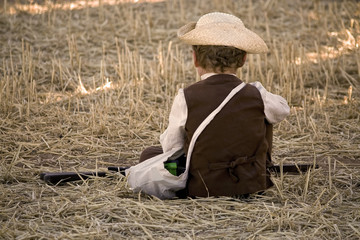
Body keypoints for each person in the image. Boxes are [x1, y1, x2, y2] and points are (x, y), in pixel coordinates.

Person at [138, 12, 290, 198]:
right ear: (243, 59)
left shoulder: (186, 97)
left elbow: (172, 147)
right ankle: (260, 170)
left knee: (149, 155)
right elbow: (282, 109)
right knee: (264, 112)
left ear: (195, 59)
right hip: (251, 184)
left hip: (202, 187)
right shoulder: (256, 94)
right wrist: (257, 89)